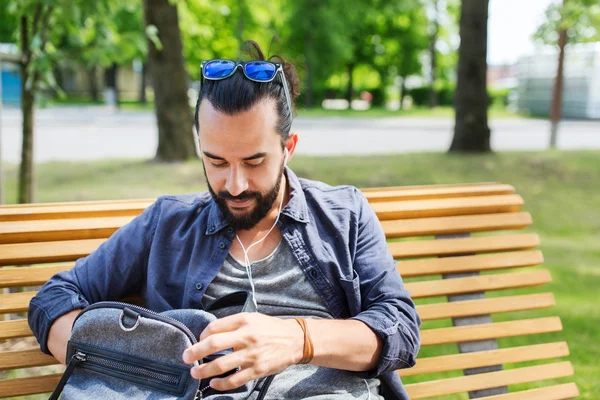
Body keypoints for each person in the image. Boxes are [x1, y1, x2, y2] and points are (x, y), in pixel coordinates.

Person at [28, 41, 421, 399]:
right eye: (216, 161)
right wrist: (132, 366)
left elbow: (400, 328)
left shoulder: (345, 214)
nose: (234, 184)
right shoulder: (168, 224)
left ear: (289, 148)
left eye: (254, 161)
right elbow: (54, 299)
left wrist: (298, 339)